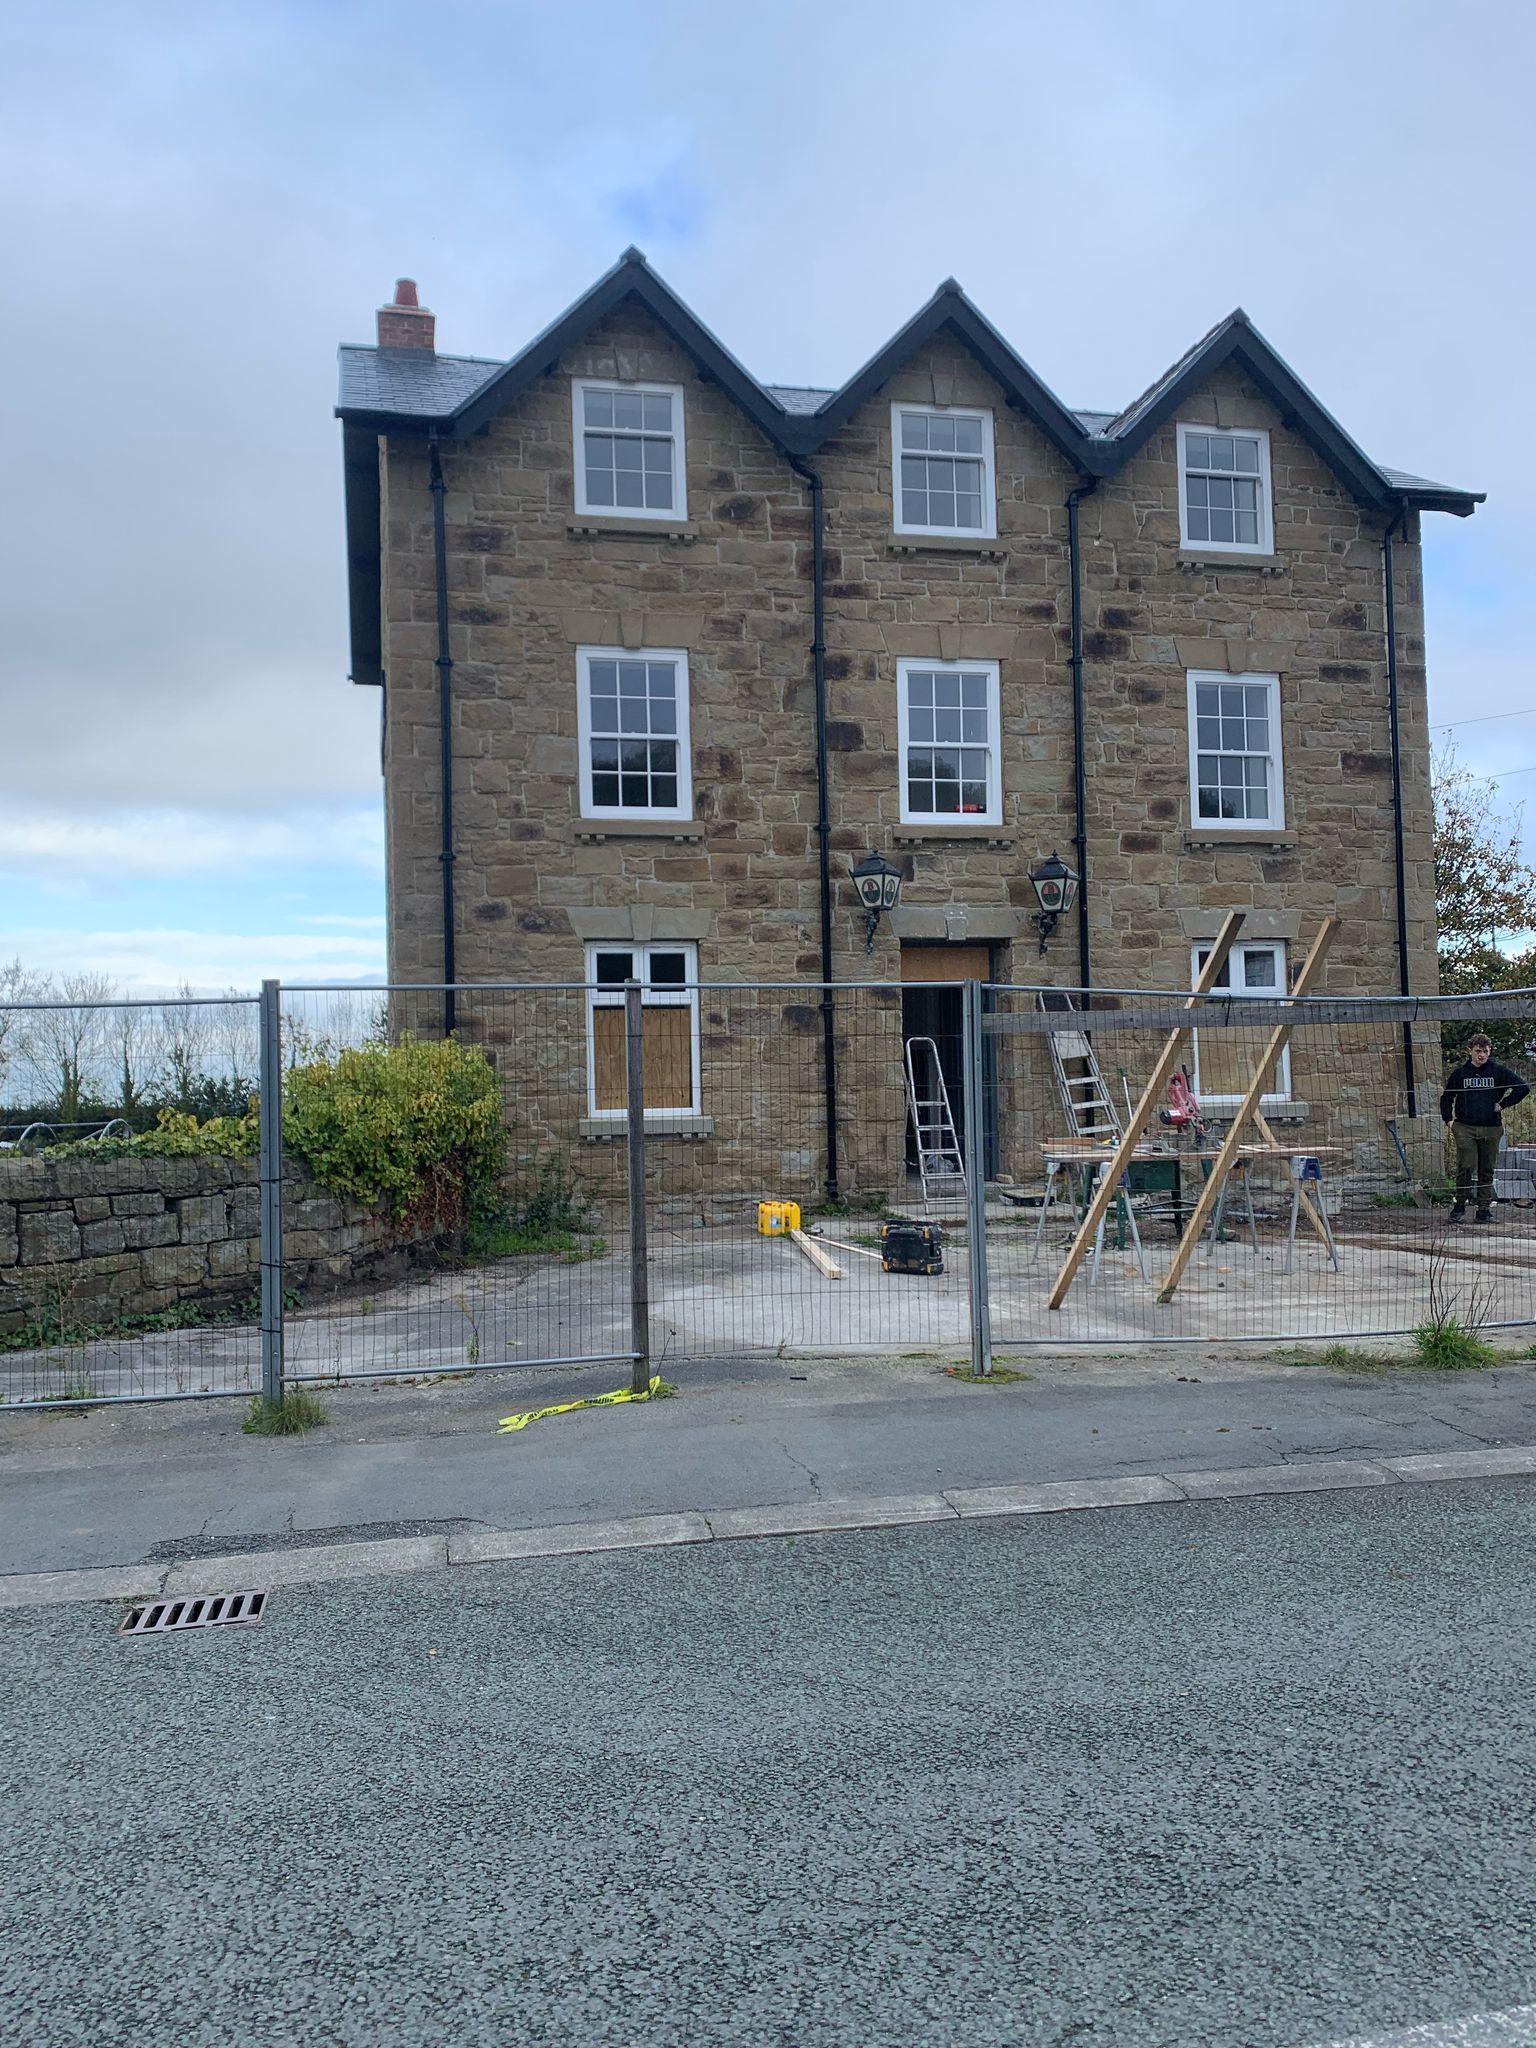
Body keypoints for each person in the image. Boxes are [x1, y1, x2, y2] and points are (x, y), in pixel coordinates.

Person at [1439, 1033, 1530, 1223]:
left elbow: (1522, 1088)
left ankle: (1483, 1210)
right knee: (1466, 1165)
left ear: (1490, 1052)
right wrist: (1449, 1121)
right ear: (1470, 1051)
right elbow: (1446, 1098)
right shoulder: (1460, 1074)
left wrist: (1503, 1104)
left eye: (1485, 1051)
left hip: (1491, 1126)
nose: (1482, 1055)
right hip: (1465, 1126)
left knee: (1486, 1168)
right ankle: (1459, 1206)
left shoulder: (1497, 1071)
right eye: (1478, 1051)